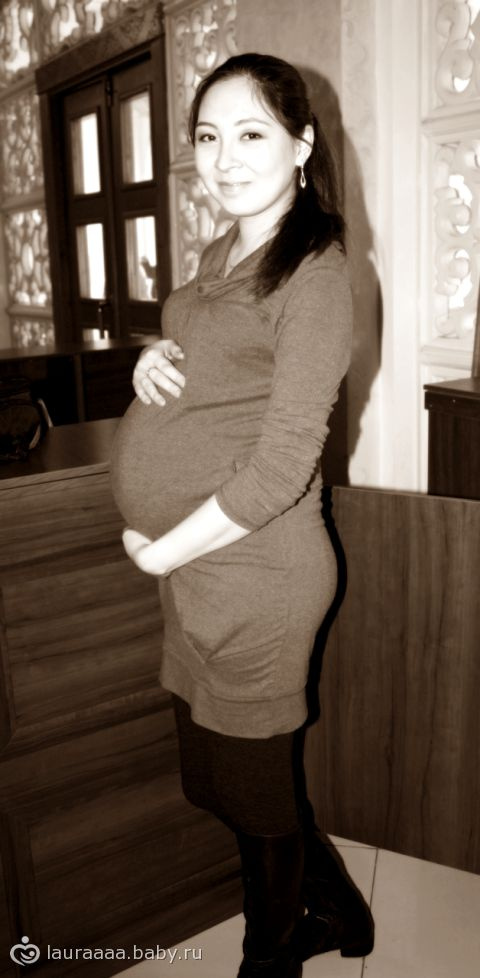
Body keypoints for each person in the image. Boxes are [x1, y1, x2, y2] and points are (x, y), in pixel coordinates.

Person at [109, 52, 374, 978]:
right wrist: (152, 352)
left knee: (255, 798)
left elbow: (282, 468)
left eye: (251, 133)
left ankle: (275, 952)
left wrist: (160, 553)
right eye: (209, 137)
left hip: (259, 576)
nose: (224, 159)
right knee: (218, 781)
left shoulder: (317, 275)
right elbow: (214, 354)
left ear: (301, 145)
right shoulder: (223, 252)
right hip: (200, 566)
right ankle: (335, 903)